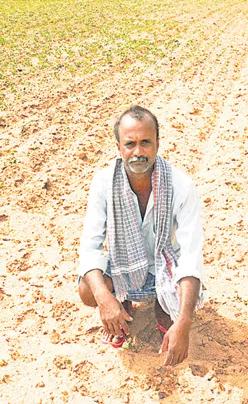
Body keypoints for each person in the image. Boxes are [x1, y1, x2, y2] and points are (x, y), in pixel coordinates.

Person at [77, 105, 204, 366]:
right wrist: (104, 300)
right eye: (130, 144)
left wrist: (184, 324)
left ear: (158, 143)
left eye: (146, 143)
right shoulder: (103, 184)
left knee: (182, 306)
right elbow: (89, 248)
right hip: (123, 265)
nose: (138, 152)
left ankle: (163, 308)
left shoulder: (181, 185)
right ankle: (121, 307)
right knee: (86, 290)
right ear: (119, 147)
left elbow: (191, 255)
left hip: (164, 265)